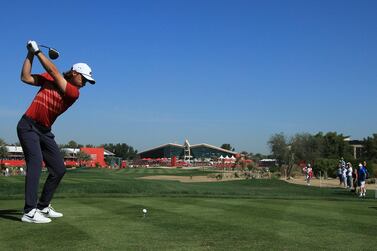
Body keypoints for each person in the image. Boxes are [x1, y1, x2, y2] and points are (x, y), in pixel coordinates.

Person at [18, 40, 95, 223]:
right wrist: (30, 53)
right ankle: (29, 211)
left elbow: (54, 72)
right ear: (75, 73)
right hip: (28, 126)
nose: (84, 83)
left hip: (44, 131)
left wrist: (37, 52)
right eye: (83, 79)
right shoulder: (50, 78)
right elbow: (25, 77)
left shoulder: (73, 93)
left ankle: (43, 206)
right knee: (35, 164)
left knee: (59, 169)